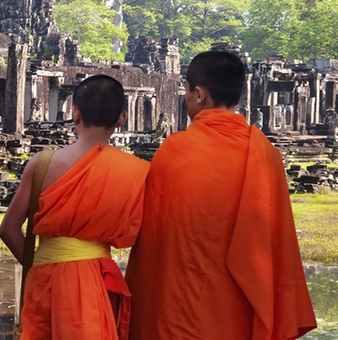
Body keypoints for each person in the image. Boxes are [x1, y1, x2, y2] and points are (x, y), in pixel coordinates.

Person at [129, 51, 317, 340]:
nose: (187, 99)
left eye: (187, 92)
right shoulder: (266, 154)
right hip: (238, 310)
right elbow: (276, 245)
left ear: (200, 94)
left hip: (177, 309)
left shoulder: (174, 150)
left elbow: (155, 240)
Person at [0, 74, 150, 340]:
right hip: (98, 282)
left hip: (45, 280)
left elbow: (9, 230)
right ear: (122, 118)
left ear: (75, 113)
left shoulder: (41, 164)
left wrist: (38, 266)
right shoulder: (136, 171)